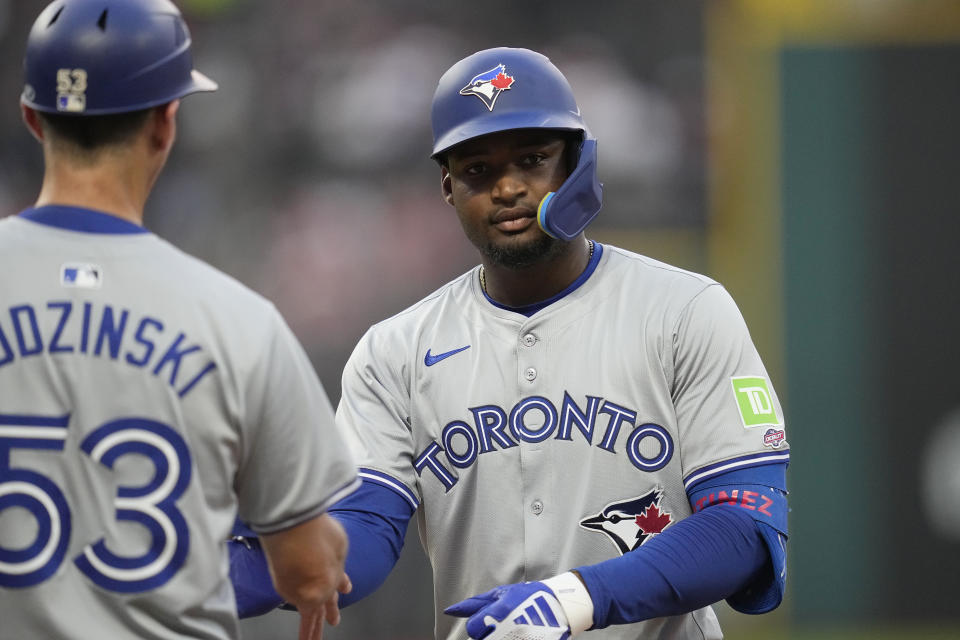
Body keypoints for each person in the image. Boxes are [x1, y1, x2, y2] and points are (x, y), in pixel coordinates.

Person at [231, 46, 791, 639]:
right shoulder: (393, 351)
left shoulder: (684, 312)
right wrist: (231, 570)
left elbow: (745, 529)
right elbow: (362, 533)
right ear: (448, 188)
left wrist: (578, 598)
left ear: (577, 164)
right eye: (477, 170)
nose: (506, 187)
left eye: (532, 159)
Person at [0, 1, 359, 639]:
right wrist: (318, 561)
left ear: (32, 117)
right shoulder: (238, 322)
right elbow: (307, 570)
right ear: (167, 122)